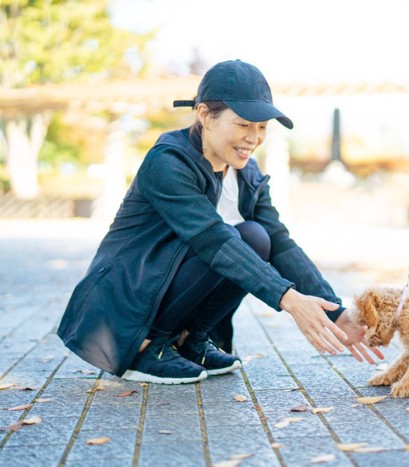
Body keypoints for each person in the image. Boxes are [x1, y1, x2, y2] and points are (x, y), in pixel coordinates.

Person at [58, 59, 383, 385]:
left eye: (262, 127)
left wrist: (336, 312)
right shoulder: (168, 162)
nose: (253, 138)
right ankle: (148, 347)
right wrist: (289, 300)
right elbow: (212, 240)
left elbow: (280, 243)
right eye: (243, 124)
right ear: (204, 115)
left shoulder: (247, 173)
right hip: (125, 305)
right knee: (230, 239)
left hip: (169, 282)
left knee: (257, 237)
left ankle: (190, 341)